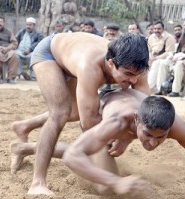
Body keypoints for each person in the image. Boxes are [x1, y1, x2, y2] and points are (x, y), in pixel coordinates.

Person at [10, 90, 185, 198]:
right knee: (105, 187)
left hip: (127, 105)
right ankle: (25, 148)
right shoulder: (115, 123)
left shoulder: (175, 126)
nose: (153, 144)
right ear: (136, 120)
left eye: (161, 137)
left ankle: (26, 143)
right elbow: (73, 157)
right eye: (148, 135)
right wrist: (116, 181)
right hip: (98, 114)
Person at [11, 32, 150, 195]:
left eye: (137, 75)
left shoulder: (136, 67)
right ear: (111, 64)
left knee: (75, 112)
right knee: (60, 113)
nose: (133, 81)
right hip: (49, 53)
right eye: (128, 74)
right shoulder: (90, 66)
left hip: (75, 53)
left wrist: (125, 138)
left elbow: (145, 115)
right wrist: (112, 137)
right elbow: (89, 124)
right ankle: (37, 182)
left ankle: (24, 133)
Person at [154, 17, 185, 96]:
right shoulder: (183, 34)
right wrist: (173, 55)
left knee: (179, 64)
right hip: (179, 56)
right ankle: (160, 89)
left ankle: (175, 91)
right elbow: (178, 49)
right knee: (163, 64)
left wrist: (181, 56)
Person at [147, 21, 175, 93]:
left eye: (159, 29)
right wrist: (150, 57)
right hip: (152, 58)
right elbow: (149, 50)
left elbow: (169, 52)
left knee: (156, 63)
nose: (156, 30)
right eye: (155, 29)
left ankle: (154, 87)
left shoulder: (169, 37)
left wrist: (155, 59)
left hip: (165, 59)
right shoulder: (151, 37)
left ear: (163, 29)